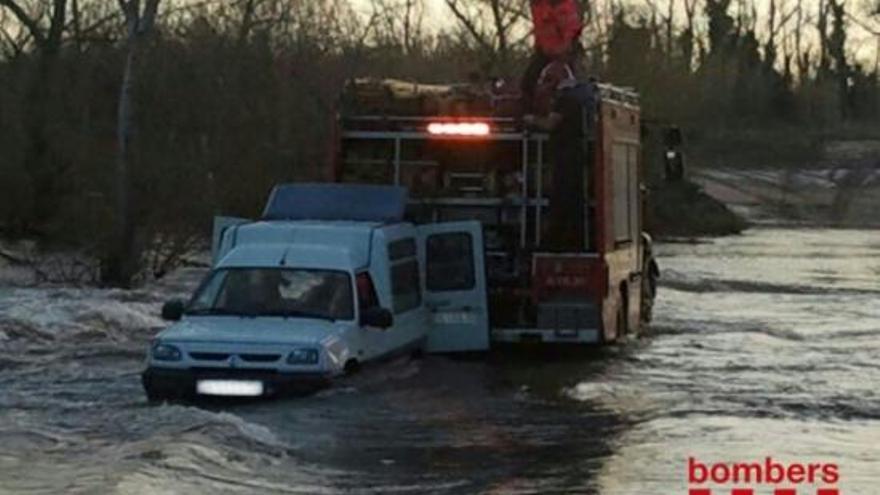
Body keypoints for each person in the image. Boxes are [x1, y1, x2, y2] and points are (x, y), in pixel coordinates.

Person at [523, 62, 595, 251]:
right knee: (568, 201)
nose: (544, 86)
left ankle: (559, 242)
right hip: (572, 157)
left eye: (547, 81)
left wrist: (531, 120)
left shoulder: (567, 99)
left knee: (563, 201)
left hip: (568, 158)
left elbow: (550, 125)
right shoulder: (576, 97)